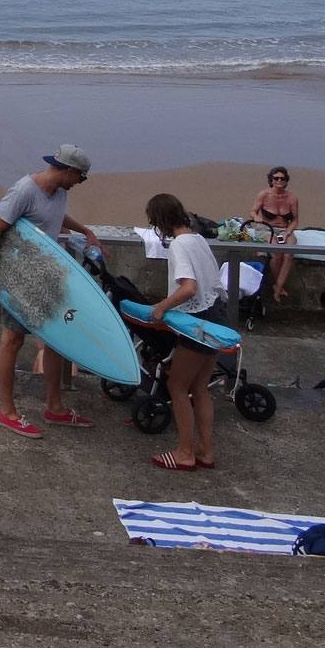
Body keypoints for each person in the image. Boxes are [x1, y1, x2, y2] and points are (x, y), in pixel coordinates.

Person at [0, 144, 105, 437]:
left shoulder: (58, 192)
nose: (79, 183)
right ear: (69, 170)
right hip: (19, 277)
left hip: (47, 277)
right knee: (12, 341)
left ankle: (55, 407)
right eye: (81, 177)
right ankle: (7, 412)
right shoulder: (24, 190)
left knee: (56, 340)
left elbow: (56, 217)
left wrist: (85, 230)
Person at [142, 192, 222, 471]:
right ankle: (205, 451)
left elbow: (189, 288)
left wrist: (161, 307)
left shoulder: (178, 246)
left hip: (196, 322)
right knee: (200, 388)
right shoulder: (198, 239)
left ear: (160, 221)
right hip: (216, 317)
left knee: (177, 386)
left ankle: (185, 453)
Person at [251, 167, 301, 301]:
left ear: (286, 181)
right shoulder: (264, 195)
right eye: (276, 178)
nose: (279, 181)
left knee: (288, 252)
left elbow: (295, 220)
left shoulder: (292, 198)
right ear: (271, 180)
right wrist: (256, 217)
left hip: (285, 229)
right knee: (276, 253)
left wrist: (288, 232)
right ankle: (279, 287)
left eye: (282, 179)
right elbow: (253, 212)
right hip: (266, 229)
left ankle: (278, 286)